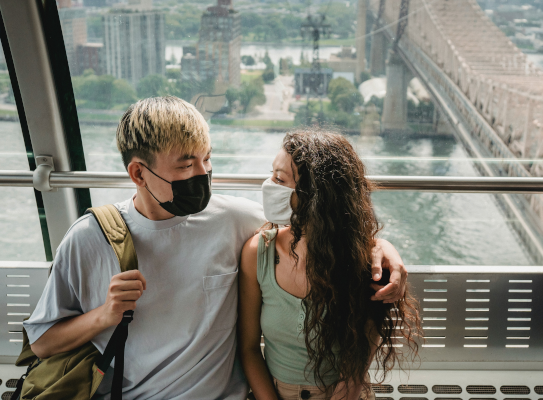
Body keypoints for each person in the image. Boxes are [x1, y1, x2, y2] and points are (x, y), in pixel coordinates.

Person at [24, 97, 409, 400]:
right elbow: (43, 343)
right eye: (186, 164)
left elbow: (317, 223)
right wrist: (104, 315)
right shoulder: (89, 239)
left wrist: (380, 247)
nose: (202, 174)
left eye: (207, 159)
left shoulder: (235, 219)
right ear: (139, 173)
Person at [238, 130, 420, 400]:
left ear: (316, 197)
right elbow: (249, 348)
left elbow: (355, 368)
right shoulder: (258, 253)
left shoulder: (365, 264)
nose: (269, 186)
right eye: (272, 175)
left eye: (280, 179)